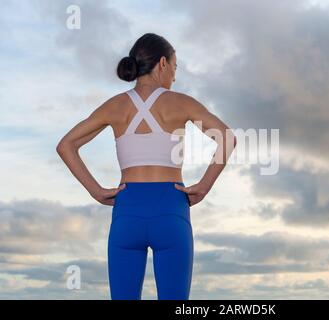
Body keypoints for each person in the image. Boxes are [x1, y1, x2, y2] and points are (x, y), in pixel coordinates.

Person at [56, 33, 237, 300]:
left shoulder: (115, 106)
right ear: (162, 63)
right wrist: (204, 185)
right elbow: (227, 137)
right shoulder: (181, 103)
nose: (174, 77)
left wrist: (95, 190)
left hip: (127, 209)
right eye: (175, 68)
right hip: (171, 207)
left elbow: (66, 145)